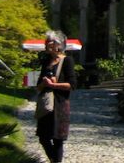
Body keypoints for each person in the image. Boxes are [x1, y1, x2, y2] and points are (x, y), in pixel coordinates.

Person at [35, 30, 76, 163]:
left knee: (58, 139)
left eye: (49, 41)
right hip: (46, 104)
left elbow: (72, 85)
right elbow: (38, 86)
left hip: (60, 104)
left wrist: (54, 85)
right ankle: (54, 160)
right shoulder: (46, 61)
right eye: (46, 41)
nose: (46, 43)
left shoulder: (67, 61)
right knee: (43, 137)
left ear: (58, 44)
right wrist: (44, 83)